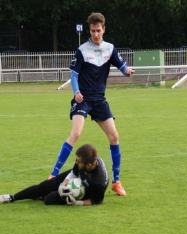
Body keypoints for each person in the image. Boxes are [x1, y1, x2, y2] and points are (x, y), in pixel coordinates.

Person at [49, 12, 134, 196]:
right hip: (83, 99)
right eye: (93, 31)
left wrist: (127, 70)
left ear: (104, 29)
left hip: (99, 100)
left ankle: (116, 182)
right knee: (76, 134)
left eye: (98, 30)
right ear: (89, 30)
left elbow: (121, 65)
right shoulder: (82, 50)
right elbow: (74, 75)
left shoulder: (110, 49)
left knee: (114, 137)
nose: (96, 34)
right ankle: (53, 175)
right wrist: (76, 92)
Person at [0, 144, 109, 206]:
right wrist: (63, 184)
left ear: (89, 165)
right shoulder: (83, 160)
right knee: (44, 186)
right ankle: (11, 197)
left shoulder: (97, 182)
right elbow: (74, 172)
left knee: (49, 199)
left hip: (88, 191)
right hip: (78, 179)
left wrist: (76, 202)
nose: (76, 162)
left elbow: (96, 201)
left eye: (79, 162)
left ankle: (43, 197)